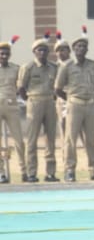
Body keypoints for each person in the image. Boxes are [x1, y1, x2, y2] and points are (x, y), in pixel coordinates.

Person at [53, 34, 94, 182]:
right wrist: (71, 100)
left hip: (90, 104)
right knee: (70, 139)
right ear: (73, 49)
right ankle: (70, 170)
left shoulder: (93, 65)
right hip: (74, 104)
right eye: (78, 46)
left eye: (84, 46)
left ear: (87, 49)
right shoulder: (67, 66)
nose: (81, 49)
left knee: (91, 140)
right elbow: (58, 88)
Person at [19, 38, 60, 182]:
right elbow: (21, 88)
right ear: (34, 52)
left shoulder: (54, 67)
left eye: (44, 50)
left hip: (50, 101)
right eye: (39, 50)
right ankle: (31, 172)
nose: (42, 52)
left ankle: (50, 173)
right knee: (32, 139)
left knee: (50, 139)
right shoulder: (28, 67)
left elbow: (58, 85)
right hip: (34, 102)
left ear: (48, 52)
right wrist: (30, 99)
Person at [0, 39, 25, 183]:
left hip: (12, 105)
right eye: (1, 53)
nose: (4, 56)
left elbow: (20, 86)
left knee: (19, 140)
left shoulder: (16, 68)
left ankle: (24, 171)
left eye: (6, 53)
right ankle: (1, 172)